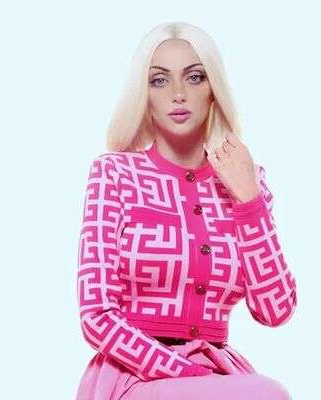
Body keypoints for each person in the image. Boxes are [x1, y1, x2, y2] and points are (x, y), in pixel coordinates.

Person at [75, 21, 298, 400]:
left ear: (214, 91)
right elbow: (96, 315)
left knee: (270, 393)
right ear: (143, 95)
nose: (178, 94)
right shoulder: (115, 174)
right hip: (133, 375)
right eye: (159, 81)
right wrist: (183, 371)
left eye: (195, 78)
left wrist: (250, 202)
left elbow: (275, 311)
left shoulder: (246, 181)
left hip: (216, 374)